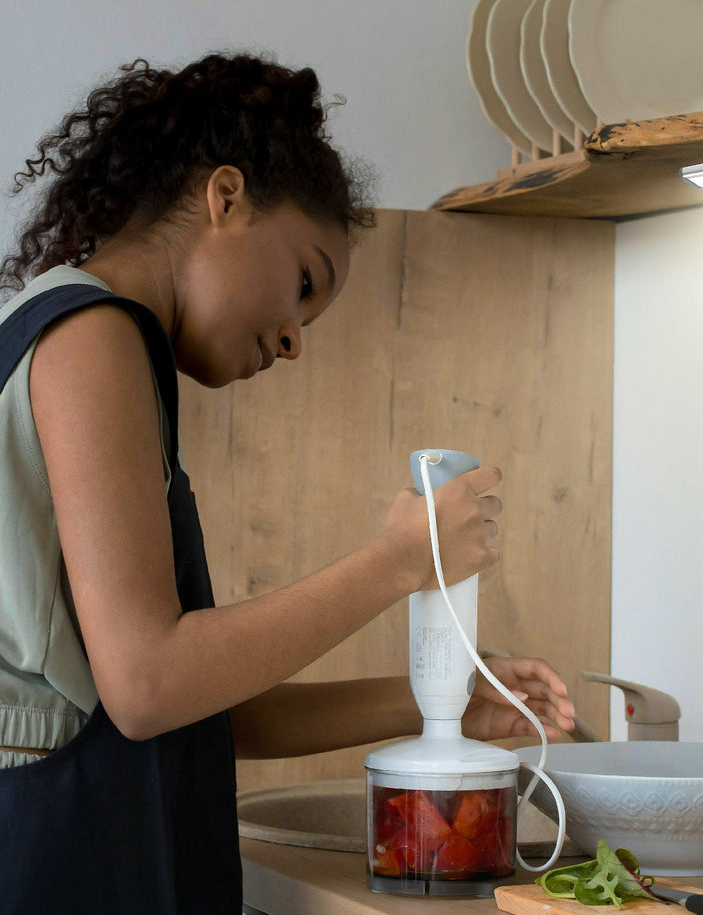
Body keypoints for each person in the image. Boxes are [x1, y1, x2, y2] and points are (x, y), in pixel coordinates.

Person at [0, 52, 575, 913]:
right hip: (64, 863)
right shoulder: (94, 336)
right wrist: (401, 561)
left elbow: (199, 703)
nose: (296, 339)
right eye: (305, 283)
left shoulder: (75, 332)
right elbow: (150, 686)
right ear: (224, 198)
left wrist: (441, 702)